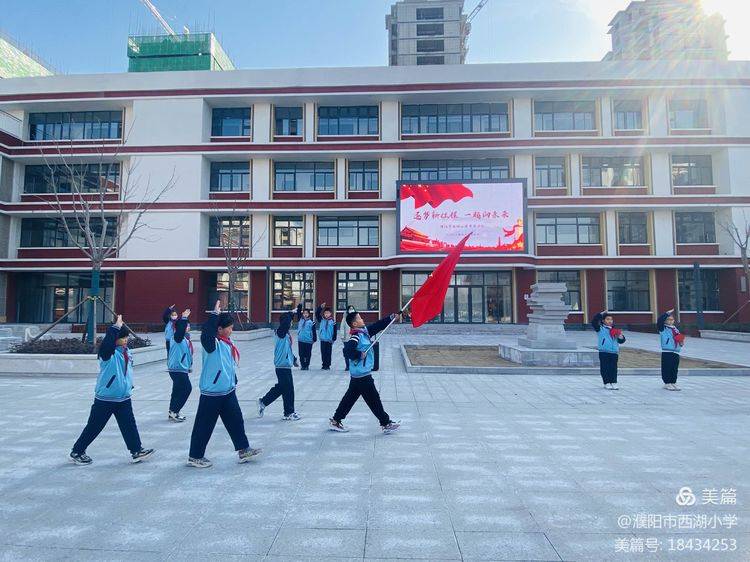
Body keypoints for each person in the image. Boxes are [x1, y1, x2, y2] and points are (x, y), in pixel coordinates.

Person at [70, 315, 154, 465]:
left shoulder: (127, 352)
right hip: (106, 399)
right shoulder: (108, 355)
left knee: (129, 425)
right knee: (95, 426)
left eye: (126, 337)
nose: (126, 340)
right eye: (123, 338)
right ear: (115, 338)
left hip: (123, 397)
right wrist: (115, 327)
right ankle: (77, 451)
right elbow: (107, 345)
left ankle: (136, 450)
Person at [187, 300, 261, 468]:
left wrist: (233, 379)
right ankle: (195, 456)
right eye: (229, 327)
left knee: (236, 421)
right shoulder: (212, 344)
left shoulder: (228, 343)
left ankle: (244, 449)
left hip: (227, 391)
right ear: (219, 329)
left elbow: (227, 364)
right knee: (204, 426)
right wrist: (214, 315)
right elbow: (206, 334)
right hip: (212, 393)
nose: (231, 330)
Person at [329, 310, 401, 434]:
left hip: (358, 375)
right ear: (355, 324)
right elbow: (347, 351)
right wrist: (358, 354)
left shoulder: (364, 332)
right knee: (374, 399)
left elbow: (377, 326)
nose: (362, 319)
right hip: (362, 375)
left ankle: (336, 420)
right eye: (360, 318)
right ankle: (385, 423)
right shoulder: (356, 336)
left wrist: (391, 317)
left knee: (349, 399)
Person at [258, 304, 301, 421]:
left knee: (283, 388)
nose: (291, 323)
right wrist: (291, 313)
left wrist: (294, 359)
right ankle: (288, 413)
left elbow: (287, 349)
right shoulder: (280, 333)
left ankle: (264, 401)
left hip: (285, 365)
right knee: (288, 389)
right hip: (281, 366)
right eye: (290, 321)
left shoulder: (285, 335)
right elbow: (286, 323)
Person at [167, 308, 193, 422]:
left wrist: (189, 366)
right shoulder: (177, 338)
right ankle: (175, 411)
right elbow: (180, 331)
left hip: (181, 368)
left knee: (177, 390)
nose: (188, 327)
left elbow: (186, 354)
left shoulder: (184, 339)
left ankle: (172, 411)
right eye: (186, 325)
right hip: (177, 369)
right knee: (187, 388)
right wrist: (183, 318)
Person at [591, 310, 626, 390]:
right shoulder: (600, 329)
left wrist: (621, 338)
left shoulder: (615, 329)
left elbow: (621, 340)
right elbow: (594, 322)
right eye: (607, 319)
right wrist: (600, 314)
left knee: (613, 368)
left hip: (614, 352)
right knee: (605, 367)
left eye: (611, 319)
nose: (610, 321)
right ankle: (606, 382)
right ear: (603, 321)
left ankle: (614, 382)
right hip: (604, 352)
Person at [658, 309, 684, 391]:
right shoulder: (663, 329)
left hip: (676, 352)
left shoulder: (675, 329)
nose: (670, 321)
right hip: (667, 351)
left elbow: (679, 338)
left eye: (672, 319)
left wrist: (681, 342)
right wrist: (667, 313)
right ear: (665, 321)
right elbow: (659, 320)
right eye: (668, 319)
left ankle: (673, 382)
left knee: (674, 368)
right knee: (667, 367)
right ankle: (667, 383)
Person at [316, 302, 338, 370]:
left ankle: (328, 365)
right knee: (323, 353)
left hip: (329, 339)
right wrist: (320, 307)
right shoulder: (322, 320)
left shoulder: (333, 321)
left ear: (330, 314)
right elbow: (317, 314)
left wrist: (334, 338)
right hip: (323, 339)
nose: (326, 314)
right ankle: (324, 364)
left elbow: (335, 331)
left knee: (328, 352)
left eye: (328, 313)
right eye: (325, 313)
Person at [296, 305, 316, 370]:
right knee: (301, 353)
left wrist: (314, 338)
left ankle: (307, 365)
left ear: (309, 314)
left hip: (308, 340)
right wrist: (299, 306)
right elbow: (298, 312)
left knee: (307, 353)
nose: (305, 314)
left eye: (306, 313)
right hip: (301, 340)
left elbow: (314, 331)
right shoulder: (300, 320)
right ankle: (302, 365)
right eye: (304, 313)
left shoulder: (311, 322)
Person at [340, 305, 355, 371]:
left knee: (354, 351)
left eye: (352, 308)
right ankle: (347, 366)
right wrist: (342, 336)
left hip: (354, 338)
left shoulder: (356, 318)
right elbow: (342, 327)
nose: (351, 310)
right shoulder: (344, 318)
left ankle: (353, 365)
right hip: (346, 338)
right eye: (350, 309)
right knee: (346, 351)